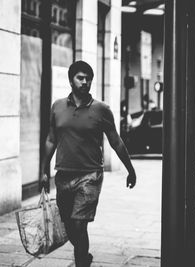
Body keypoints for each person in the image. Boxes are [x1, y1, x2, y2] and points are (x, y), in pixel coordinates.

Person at [39, 60, 137, 267]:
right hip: (63, 175)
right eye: (80, 78)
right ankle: (83, 254)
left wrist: (130, 169)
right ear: (71, 81)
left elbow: (116, 141)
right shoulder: (57, 107)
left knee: (79, 223)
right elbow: (50, 139)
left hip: (90, 176)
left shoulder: (102, 110)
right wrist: (44, 171)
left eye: (88, 78)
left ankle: (81, 262)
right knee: (68, 224)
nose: (85, 82)